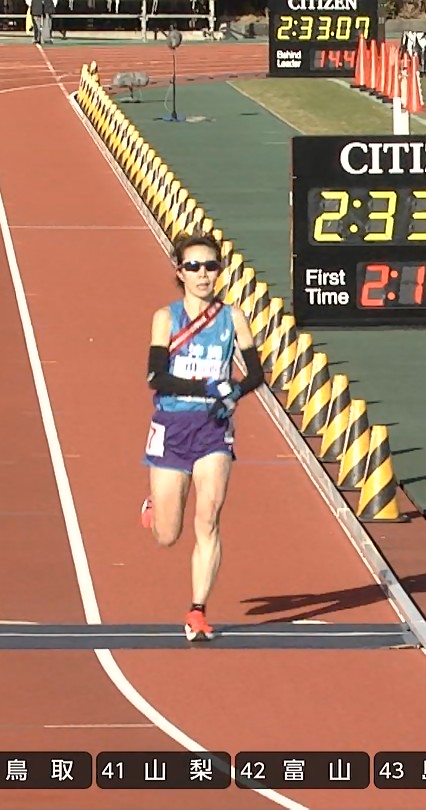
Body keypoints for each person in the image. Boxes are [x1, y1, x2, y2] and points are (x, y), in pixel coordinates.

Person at [140, 232, 263, 641]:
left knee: (208, 517)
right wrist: (205, 387)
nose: (203, 274)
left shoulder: (233, 318)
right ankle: (155, 504)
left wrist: (234, 392)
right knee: (167, 535)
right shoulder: (166, 317)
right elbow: (156, 376)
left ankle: (197, 610)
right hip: (173, 427)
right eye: (193, 266)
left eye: (210, 266)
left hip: (213, 429)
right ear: (180, 272)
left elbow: (256, 374)